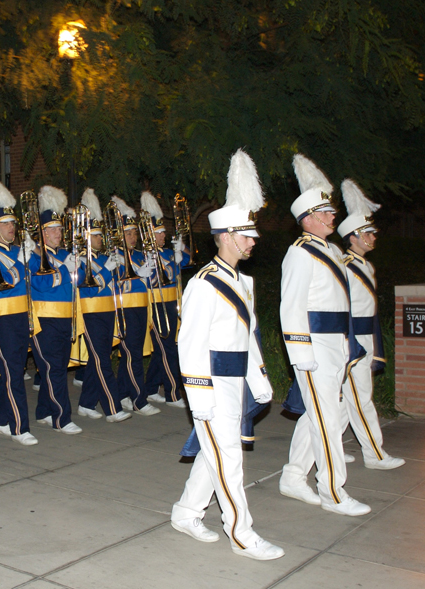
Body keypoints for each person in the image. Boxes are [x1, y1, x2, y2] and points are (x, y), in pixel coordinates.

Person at [171, 149, 283, 560]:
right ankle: (242, 534)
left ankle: (186, 513)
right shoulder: (203, 283)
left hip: (236, 381)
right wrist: (199, 398)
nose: (253, 241)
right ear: (226, 236)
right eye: (246, 235)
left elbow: (248, 337)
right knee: (229, 459)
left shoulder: (242, 281)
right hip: (213, 384)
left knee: (217, 452)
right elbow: (191, 344)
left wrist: (258, 378)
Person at [278, 154, 371, 516]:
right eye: (327, 213)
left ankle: (293, 475)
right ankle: (333, 492)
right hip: (315, 347)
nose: (334, 217)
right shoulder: (299, 253)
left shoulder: (331, 250)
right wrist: (301, 355)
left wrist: (349, 344)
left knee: (323, 414)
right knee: (327, 419)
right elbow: (291, 307)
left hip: (337, 345)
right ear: (309, 219)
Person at [335, 180, 404, 470]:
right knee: (361, 398)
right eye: (367, 233)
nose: (373, 237)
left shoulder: (365, 265)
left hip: (364, 335)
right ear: (353, 237)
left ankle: (329, 448)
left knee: (344, 402)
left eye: (373, 232)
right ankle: (374, 454)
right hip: (351, 338)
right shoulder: (345, 265)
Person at [0, 177, 38, 445]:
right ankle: (19, 426)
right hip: (1, 317)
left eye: (13, 223)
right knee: (12, 370)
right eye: (5, 224)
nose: (11, 227)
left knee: (13, 369)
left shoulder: (20, 250)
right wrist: (18, 264)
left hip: (21, 316)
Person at [29, 186, 82, 434]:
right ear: (42, 232)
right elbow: (40, 282)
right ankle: (62, 418)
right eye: (53, 229)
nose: (58, 233)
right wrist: (64, 270)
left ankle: (43, 411)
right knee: (54, 369)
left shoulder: (64, 253)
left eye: (60, 229)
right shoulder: (35, 254)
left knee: (56, 366)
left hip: (64, 318)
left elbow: (78, 282)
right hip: (44, 319)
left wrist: (79, 267)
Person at [76, 189, 131, 423]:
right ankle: (112, 407)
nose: (102, 240)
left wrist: (117, 271)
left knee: (97, 358)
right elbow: (87, 287)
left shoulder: (101, 257)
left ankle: (87, 403)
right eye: (97, 237)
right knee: (102, 360)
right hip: (91, 313)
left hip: (107, 311)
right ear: (88, 238)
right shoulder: (80, 259)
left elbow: (111, 285)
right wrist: (108, 270)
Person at [109, 196, 159, 416]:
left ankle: (123, 394)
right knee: (132, 355)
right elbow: (115, 283)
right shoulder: (114, 255)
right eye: (128, 233)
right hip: (125, 309)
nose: (133, 237)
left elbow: (150, 282)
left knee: (134, 353)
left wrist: (148, 274)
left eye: (134, 233)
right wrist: (135, 275)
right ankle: (139, 399)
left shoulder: (139, 255)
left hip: (141, 308)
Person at [141, 191, 192, 408]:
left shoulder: (167, 252)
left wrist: (182, 248)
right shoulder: (146, 254)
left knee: (164, 348)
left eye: (163, 232)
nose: (163, 236)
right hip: (156, 304)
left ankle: (151, 388)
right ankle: (173, 393)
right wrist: (173, 263)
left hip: (171, 303)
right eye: (159, 232)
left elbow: (188, 261)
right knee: (167, 349)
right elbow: (155, 278)